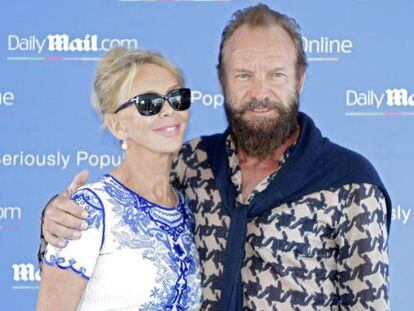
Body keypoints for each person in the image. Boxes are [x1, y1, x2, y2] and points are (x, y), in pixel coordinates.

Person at [39, 4, 390, 310]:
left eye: (277, 75)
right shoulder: (190, 163)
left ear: (300, 79)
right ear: (222, 80)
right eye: (243, 75)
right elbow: (107, 226)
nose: (260, 92)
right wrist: (56, 220)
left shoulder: (351, 183)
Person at [37, 47, 202, 310]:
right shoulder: (86, 210)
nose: (169, 110)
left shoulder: (192, 208)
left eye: (177, 97)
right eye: (149, 104)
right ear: (117, 126)